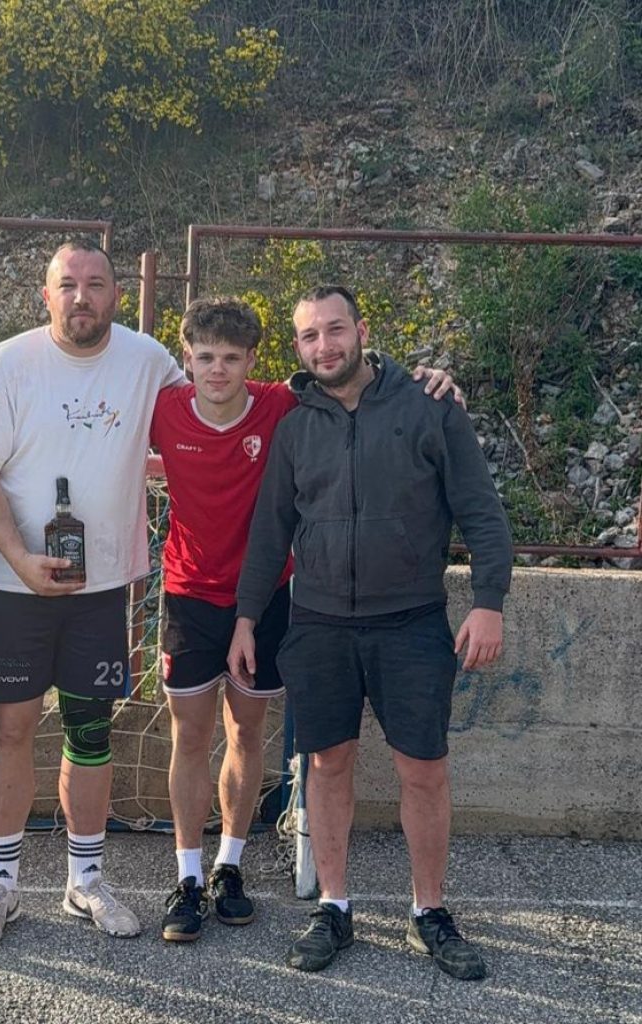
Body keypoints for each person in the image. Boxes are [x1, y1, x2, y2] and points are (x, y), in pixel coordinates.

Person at [150, 297, 460, 942]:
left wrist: (430, 380)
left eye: (230, 358)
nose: (217, 369)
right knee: (190, 736)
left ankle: (230, 867)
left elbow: (355, 382)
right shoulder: (162, 409)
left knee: (247, 733)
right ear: (187, 359)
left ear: (253, 361)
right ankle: (188, 876)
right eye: (205, 357)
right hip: (188, 593)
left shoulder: (282, 404)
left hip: (270, 597)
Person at [229, 285, 513, 980]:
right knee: (326, 765)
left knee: (424, 769)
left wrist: (489, 601)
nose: (324, 346)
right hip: (319, 623)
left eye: (335, 330)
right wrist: (245, 617)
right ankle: (334, 907)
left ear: (361, 330)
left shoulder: (429, 406)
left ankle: (429, 911)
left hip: (411, 622)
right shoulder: (295, 426)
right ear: (298, 347)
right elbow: (270, 532)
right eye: (309, 336)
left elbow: (480, 509)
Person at [0, 239, 184, 948]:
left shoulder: (148, 360)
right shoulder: (7, 363)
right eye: (67, 284)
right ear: (45, 295)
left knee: (90, 733)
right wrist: (21, 559)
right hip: (17, 587)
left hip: (101, 588)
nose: (81, 296)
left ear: (117, 294)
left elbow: (219, 401)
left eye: (95, 284)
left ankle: (85, 880)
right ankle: (1, 884)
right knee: (11, 732)